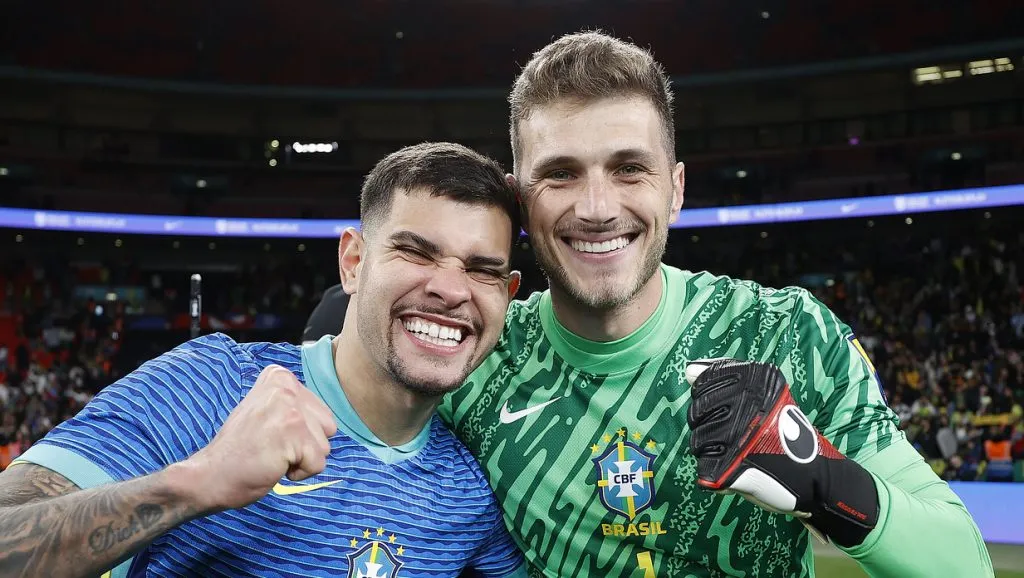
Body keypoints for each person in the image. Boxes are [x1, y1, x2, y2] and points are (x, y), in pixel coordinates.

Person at [434, 32, 994, 577]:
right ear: (519, 201)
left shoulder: (789, 334)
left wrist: (821, 480)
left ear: (675, 189)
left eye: (630, 168)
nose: (598, 207)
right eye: (560, 174)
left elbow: (965, 563)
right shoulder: (477, 356)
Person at [0, 142, 528, 578]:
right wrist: (196, 482)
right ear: (354, 262)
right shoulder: (210, 385)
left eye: (481, 270)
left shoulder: (469, 494)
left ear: (507, 294)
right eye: (416, 252)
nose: (450, 290)